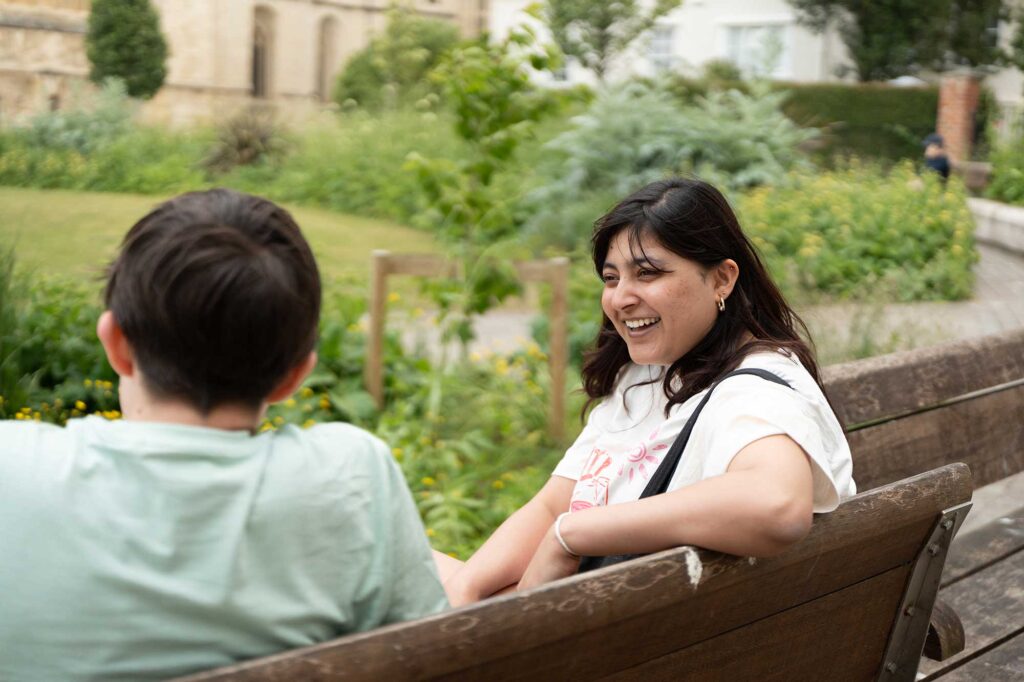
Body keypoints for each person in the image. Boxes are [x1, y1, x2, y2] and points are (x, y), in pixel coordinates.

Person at [0, 189, 447, 680]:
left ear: (116, 343)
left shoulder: (14, 469)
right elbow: (430, 651)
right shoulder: (354, 474)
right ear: (295, 376)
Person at [441, 178, 856, 604]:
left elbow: (776, 505)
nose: (620, 298)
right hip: (611, 620)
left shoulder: (755, 390)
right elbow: (552, 506)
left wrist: (572, 534)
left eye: (648, 273)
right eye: (610, 277)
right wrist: (465, 592)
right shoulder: (647, 376)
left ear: (721, 280)